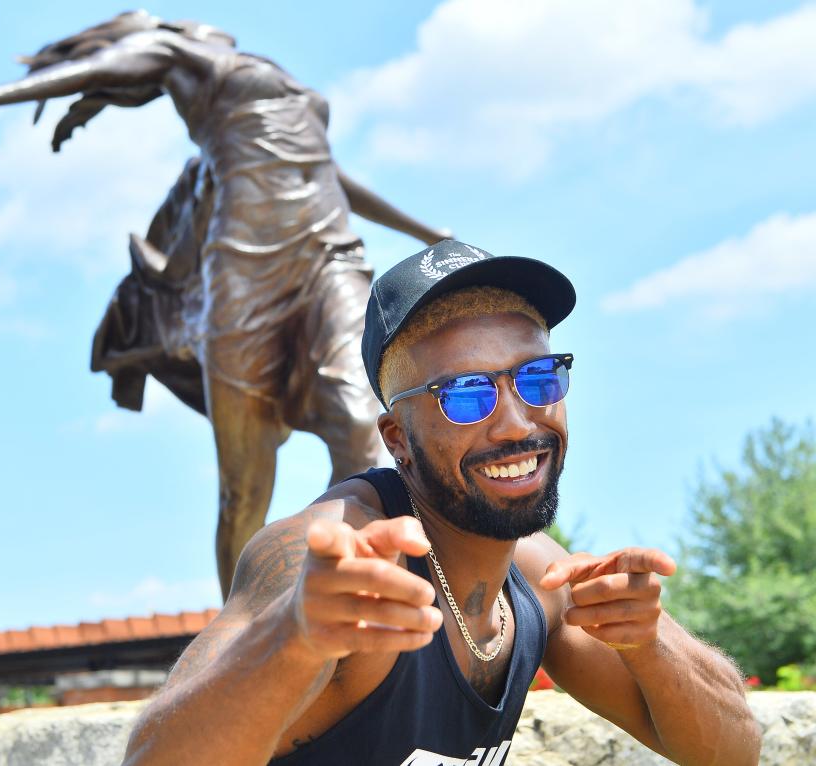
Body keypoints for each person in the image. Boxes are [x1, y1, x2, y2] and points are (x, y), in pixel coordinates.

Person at [119, 240, 761, 765]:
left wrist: (649, 642)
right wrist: (293, 637)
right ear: (396, 437)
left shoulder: (541, 580)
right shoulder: (334, 556)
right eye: (465, 394)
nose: (515, 423)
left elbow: (732, 753)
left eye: (538, 379)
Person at [0, 11, 449, 597]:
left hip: (331, 259)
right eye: (147, 23)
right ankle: (243, 628)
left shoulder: (259, 75)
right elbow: (104, 65)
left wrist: (428, 232)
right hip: (246, 271)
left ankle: (348, 605)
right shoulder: (187, 56)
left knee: (360, 426)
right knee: (244, 487)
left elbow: (324, 170)